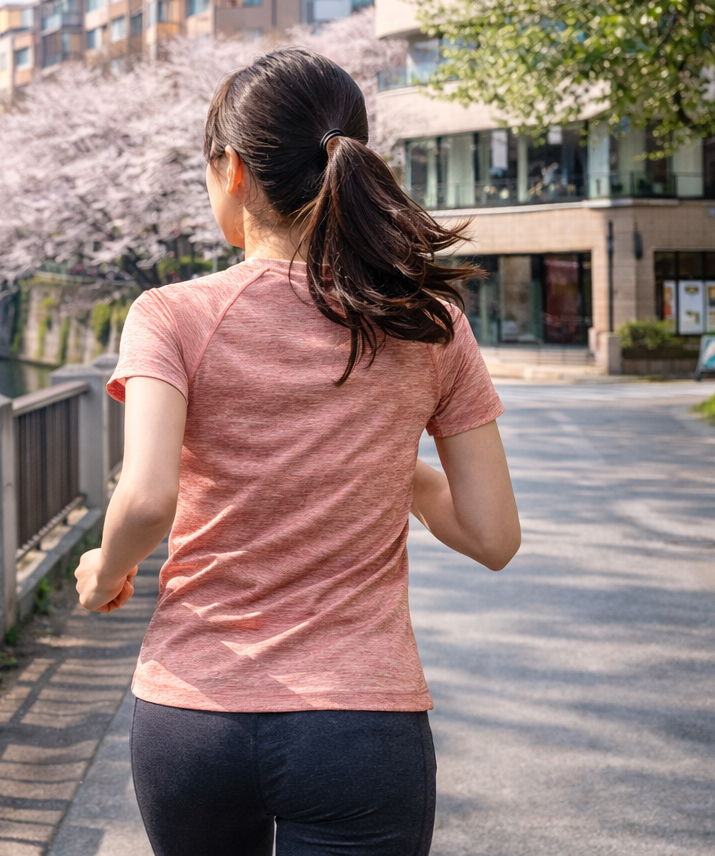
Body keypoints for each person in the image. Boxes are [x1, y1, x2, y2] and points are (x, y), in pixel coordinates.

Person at [74, 48, 520, 856]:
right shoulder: (429, 322)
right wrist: (393, 467)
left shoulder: (170, 315)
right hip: (362, 723)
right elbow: (493, 537)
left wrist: (104, 572)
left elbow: (145, 501)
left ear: (233, 170)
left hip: (194, 714)